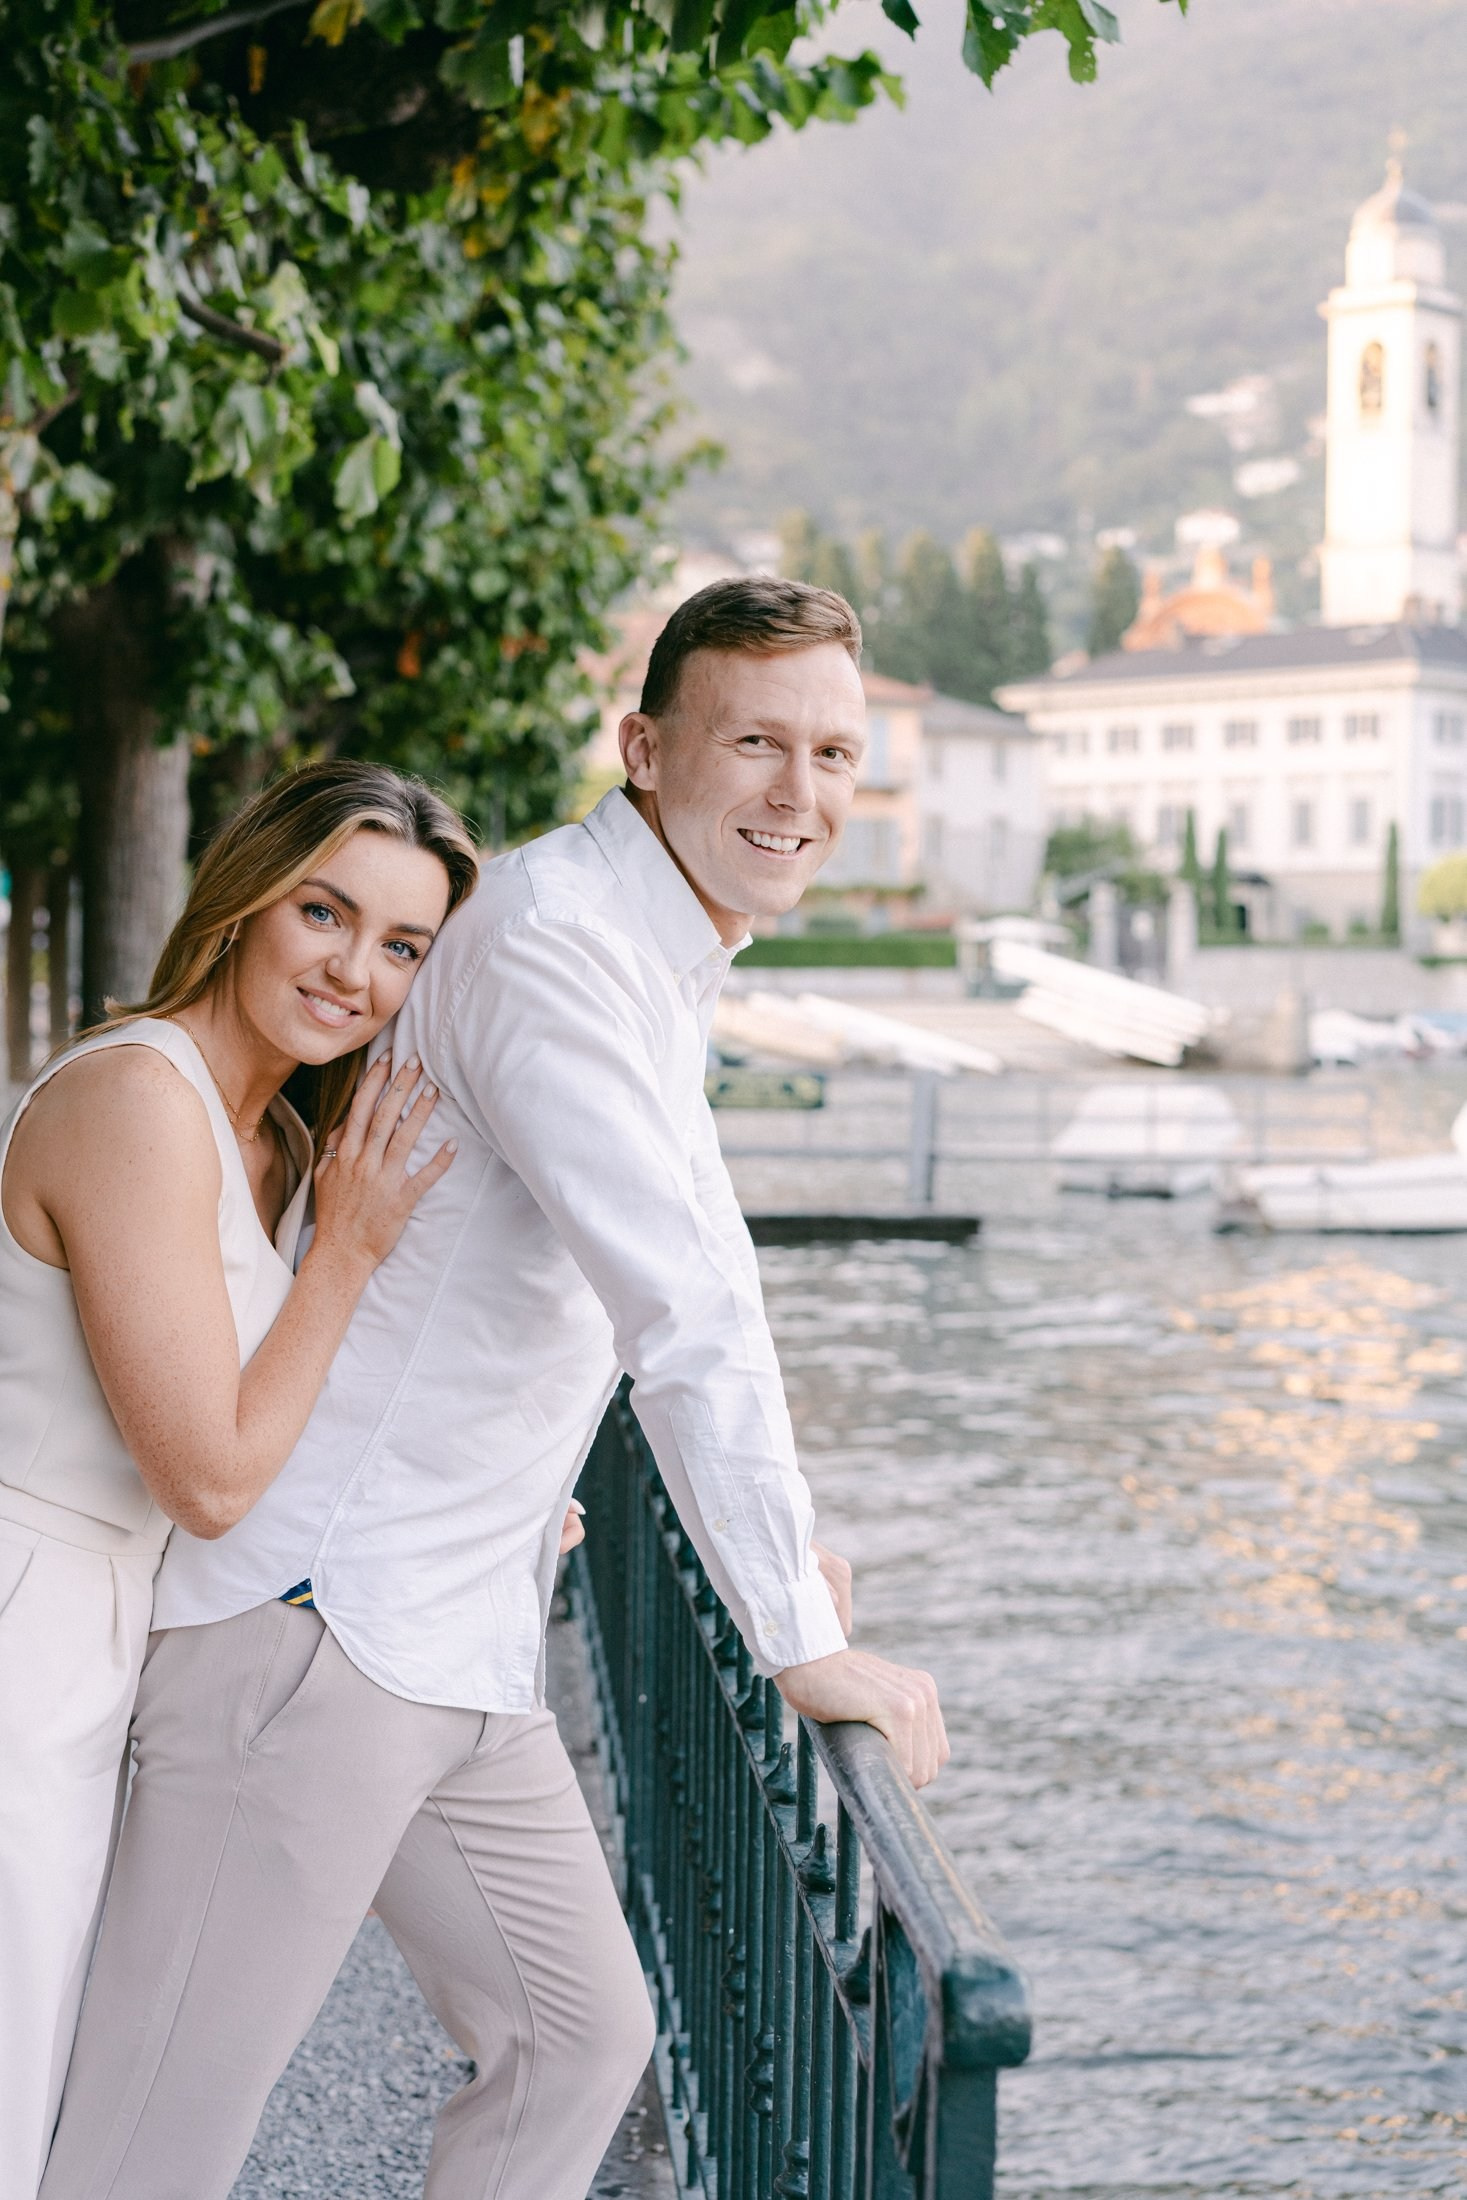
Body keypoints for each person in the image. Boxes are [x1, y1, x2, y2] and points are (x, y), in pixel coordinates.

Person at [40, 578, 948, 2200]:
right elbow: (685, 1303)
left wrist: (762, 1552)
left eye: (833, 752)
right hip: (314, 1640)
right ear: (646, 747)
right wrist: (797, 1641)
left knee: (577, 2036)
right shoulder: (550, 946)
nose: (798, 793)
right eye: (755, 741)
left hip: (456, 1633)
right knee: (147, 2154)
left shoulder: (640, 954)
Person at [0, 761, 478, 2200]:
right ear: (244, 897)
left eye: (404, 947)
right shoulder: (139, 1102)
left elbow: (272, 1416)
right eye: (324, 911)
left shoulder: (270, 1135)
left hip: (105, 1633)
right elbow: (210, 1472)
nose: (354, 969)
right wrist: (344, 1253)